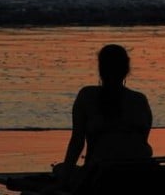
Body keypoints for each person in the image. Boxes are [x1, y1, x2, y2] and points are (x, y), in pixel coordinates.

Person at [52, 44, 153, 189]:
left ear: (100, 69)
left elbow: (77, 143)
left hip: (102, 175)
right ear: (127, 69)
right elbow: (140, 140)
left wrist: (61, 182)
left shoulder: (87, 96)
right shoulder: (140, 100)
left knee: (60, 169)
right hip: (141, 172)